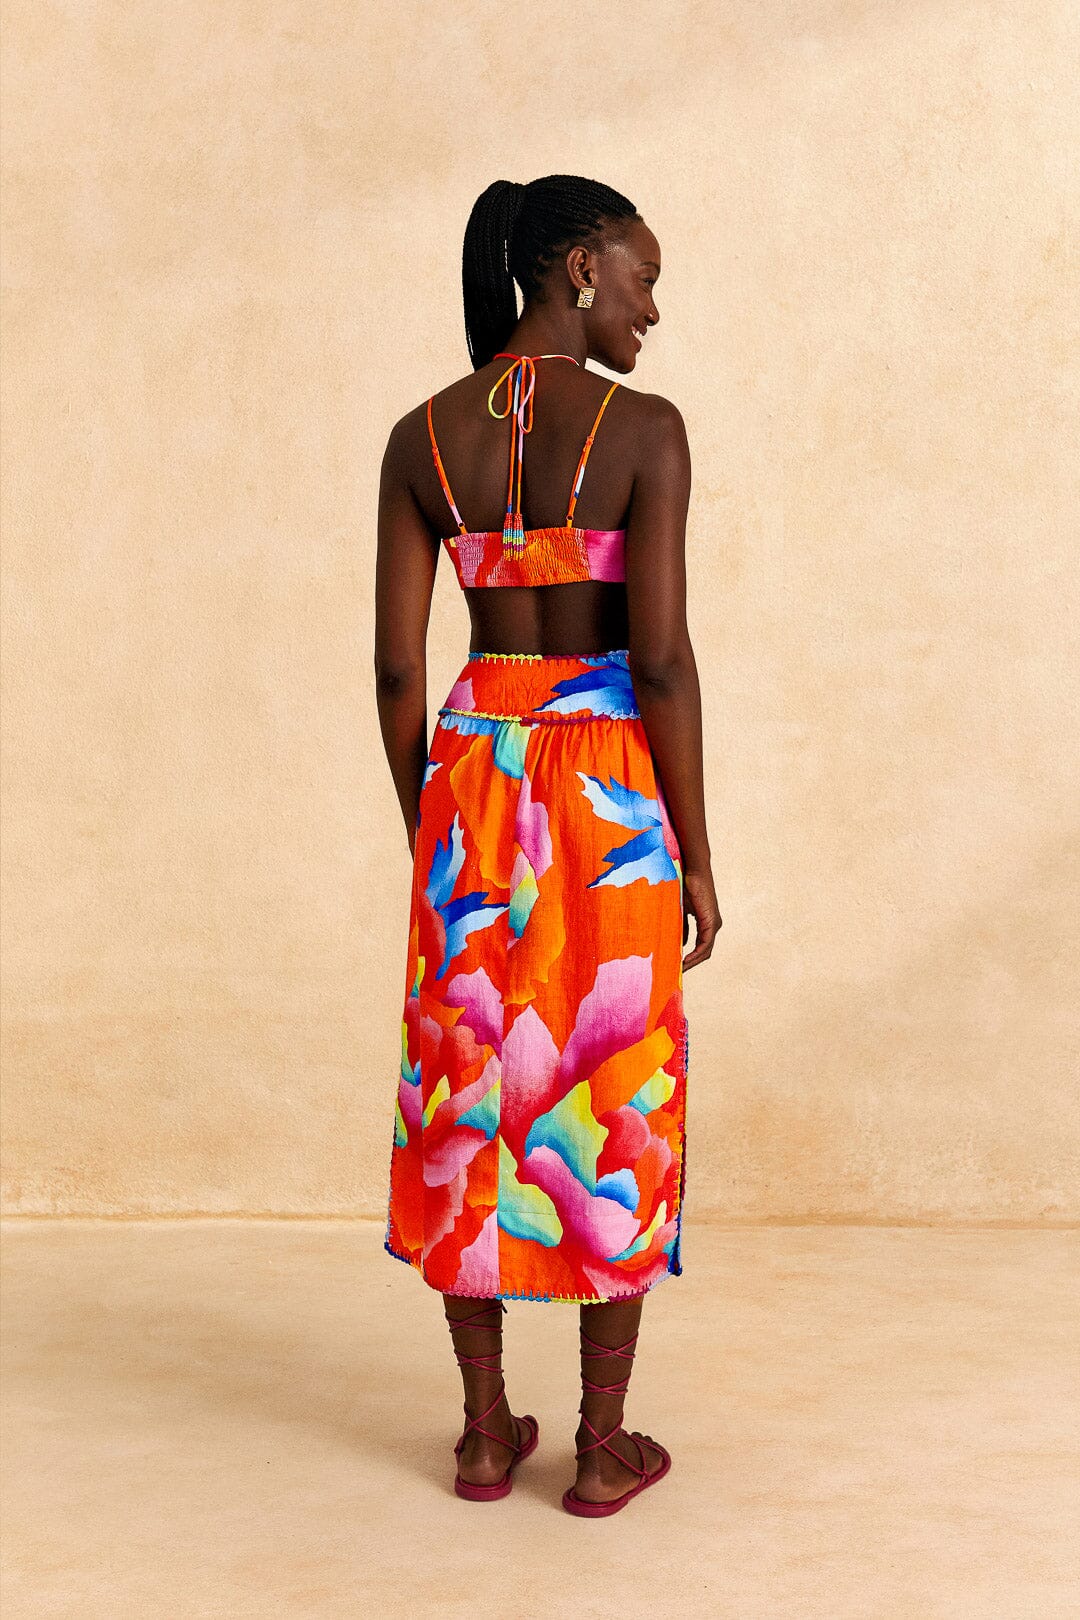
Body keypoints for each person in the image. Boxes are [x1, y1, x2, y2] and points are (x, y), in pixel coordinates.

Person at [374, 174, 720, 1516]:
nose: (652, 307)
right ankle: (601, 1443)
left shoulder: (420, 436)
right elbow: (663, 661)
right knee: (613, 1084)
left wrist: (433, 828)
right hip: (607, 791)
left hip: (471, 771)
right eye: (642, 275)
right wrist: (695, 857)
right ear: (580, 267)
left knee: (467, 1090)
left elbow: (397, 672)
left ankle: (479, 1434)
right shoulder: (647, 432)